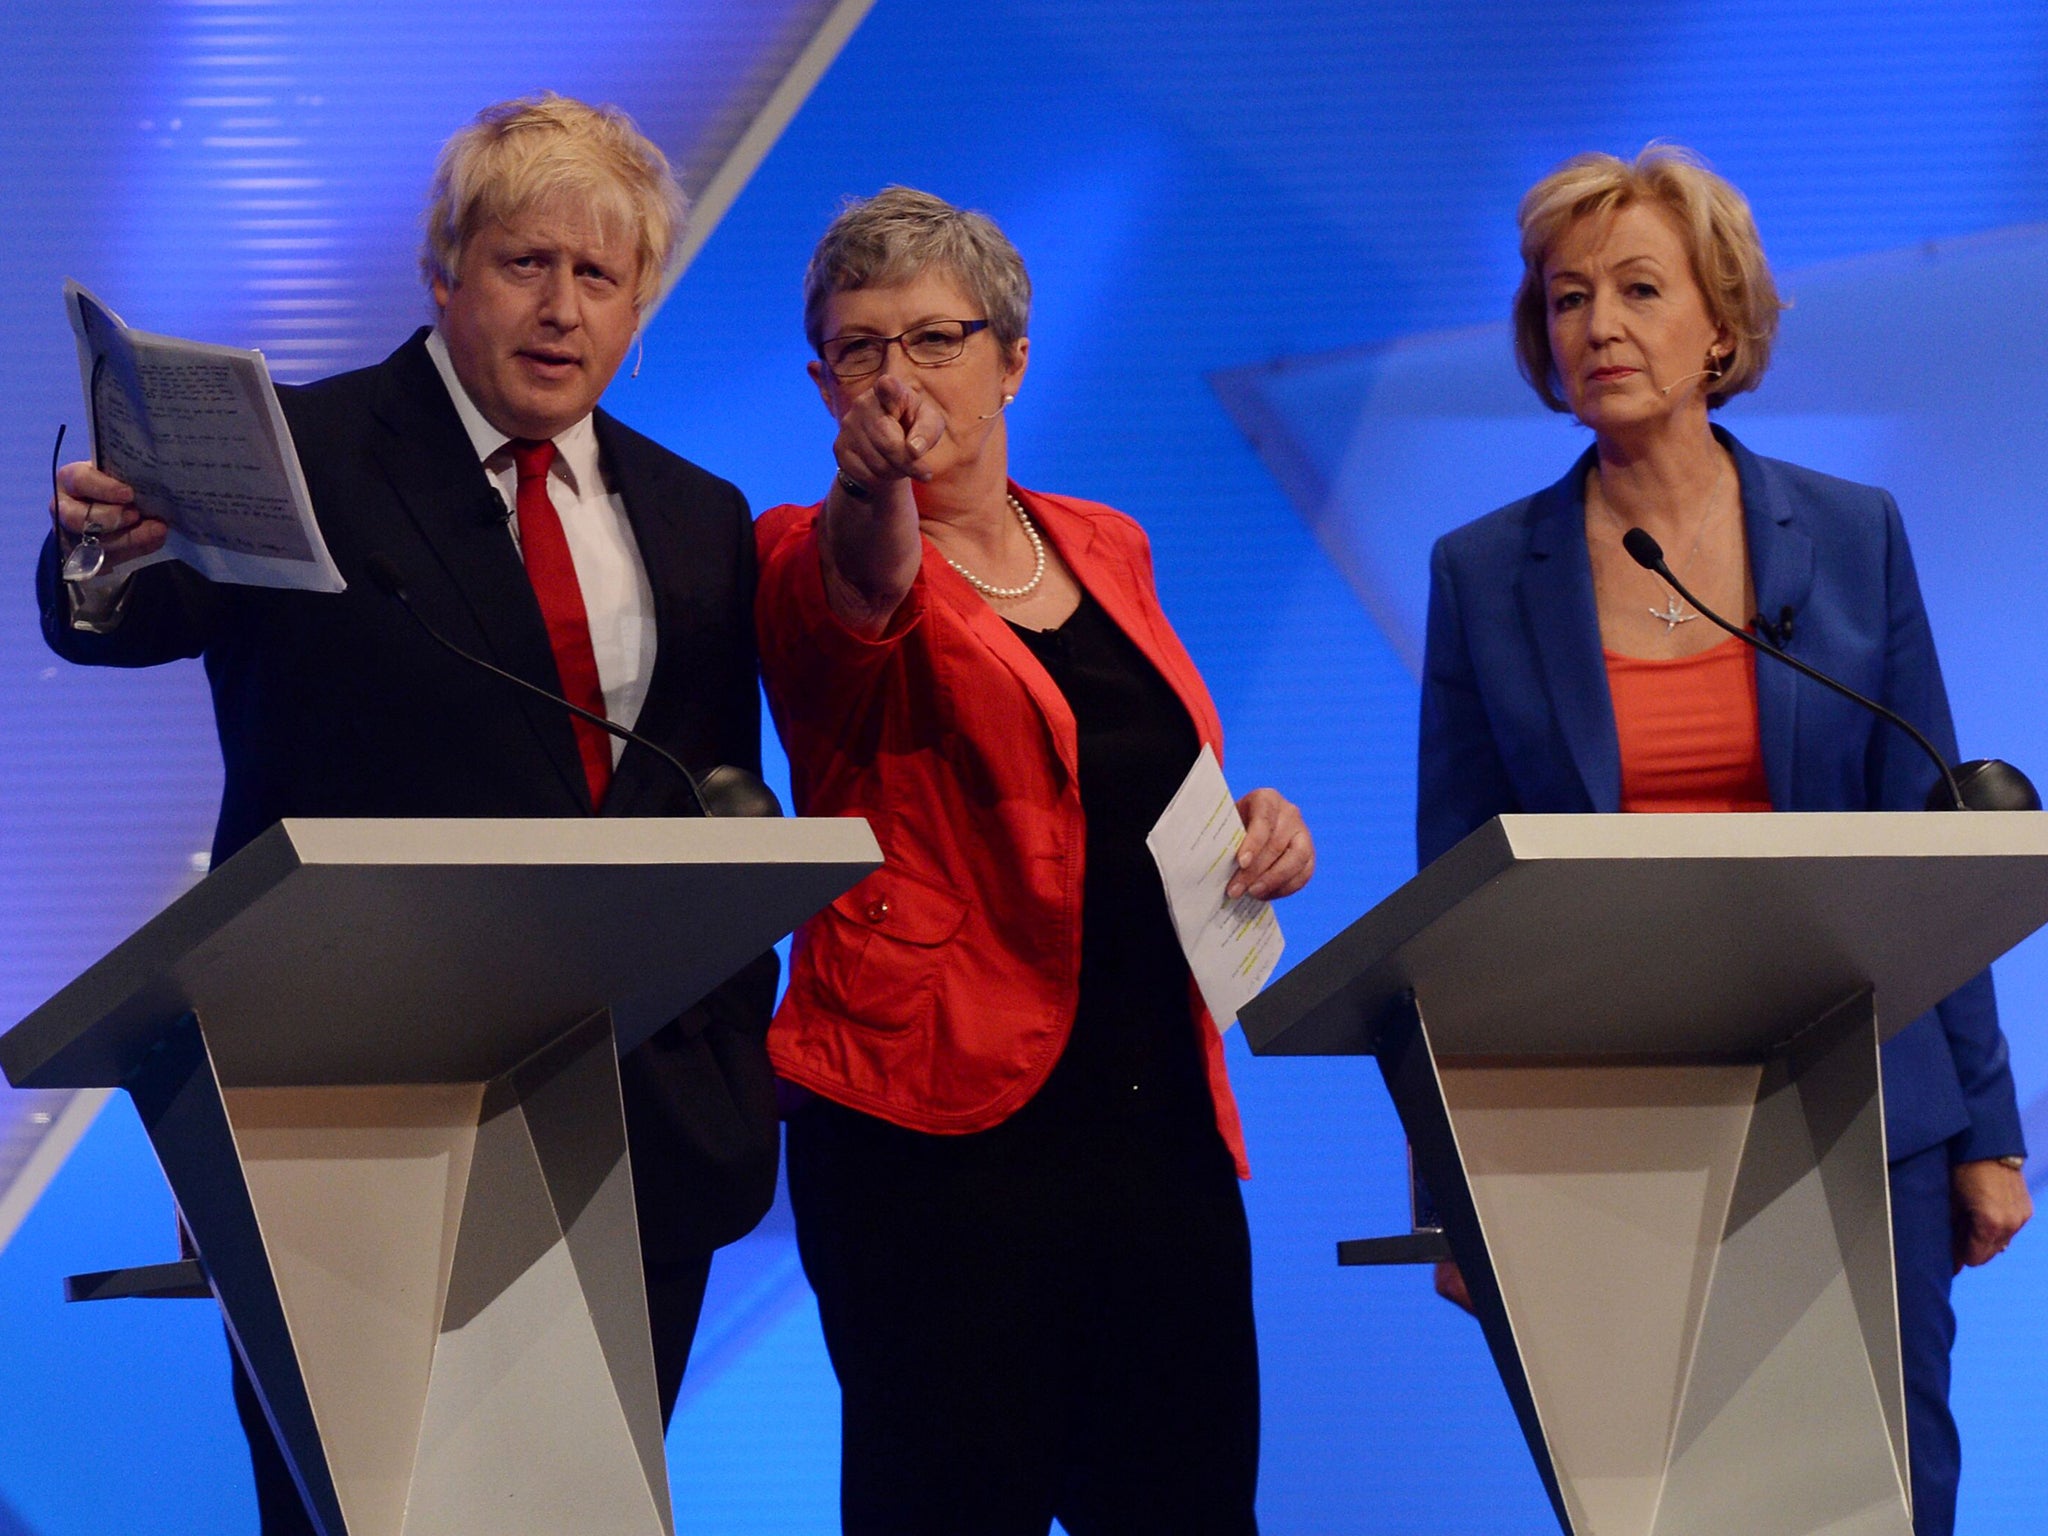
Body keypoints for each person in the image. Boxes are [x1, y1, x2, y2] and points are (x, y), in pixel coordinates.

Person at [39, 94, 777, 1533]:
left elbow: (707, 805)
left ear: (639, 307)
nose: (562, 308)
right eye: (523, 264)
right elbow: (125, 616)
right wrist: (97, 556)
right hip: (352, 1128)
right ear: (444, 271)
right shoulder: (297, 454)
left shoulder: (700, 515)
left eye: (600, 275)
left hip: (641, 1135)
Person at [1418, 144, 2031, 1536]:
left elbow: (1933, 842)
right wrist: (1450, 1188)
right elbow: (1448, 898)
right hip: (1611, 1123)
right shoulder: (1483, 576)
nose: (1601, 328)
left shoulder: (1853, 535)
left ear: (1722, 327)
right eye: (1569, 300)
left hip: (1867, 1098)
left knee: (1888, 1497)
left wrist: (1987, 1130)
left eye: (1640, 290)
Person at [754, 187, 1314, 1536]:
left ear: (1011, 358)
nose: (896, 376)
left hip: (1155, 1124)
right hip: (935, 1138)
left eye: (934, 340)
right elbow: (867, 595)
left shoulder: (1105, 540)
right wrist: (872, 479)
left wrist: (1254, 825)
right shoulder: (800, 547)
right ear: (822, 379)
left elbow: (1132, 766)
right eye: (858, 348)